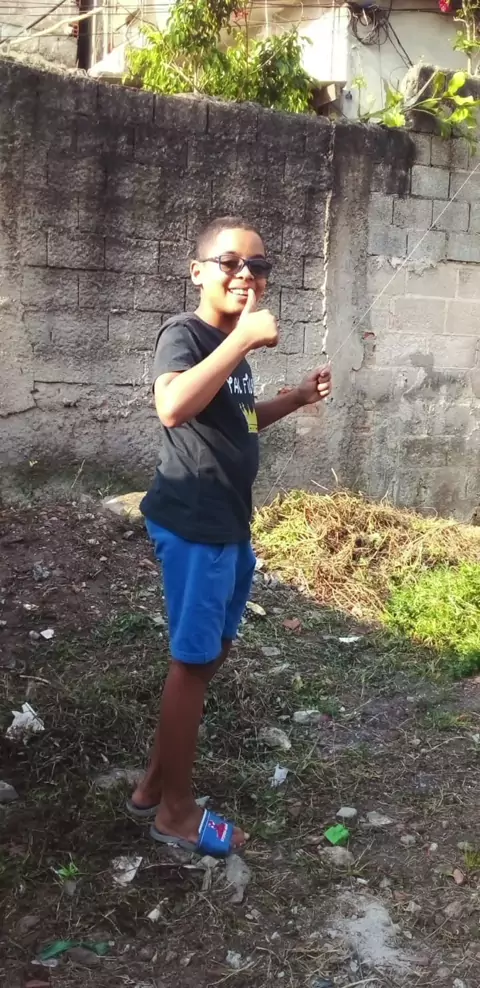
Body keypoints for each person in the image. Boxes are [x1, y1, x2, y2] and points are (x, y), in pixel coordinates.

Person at [128, 216, 332, 857]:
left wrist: (294, 399)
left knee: (210, 653)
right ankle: (176, 814)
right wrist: (242, 339)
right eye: (230, 262)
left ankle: (153, 784)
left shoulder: (228, 347)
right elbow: (172, 405)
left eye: (258, 265)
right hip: (196, 523)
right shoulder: (185, 334)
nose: (247, 274)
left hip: (229, 523)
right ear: (198, 272)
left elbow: (237, 419)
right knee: (192, 663)